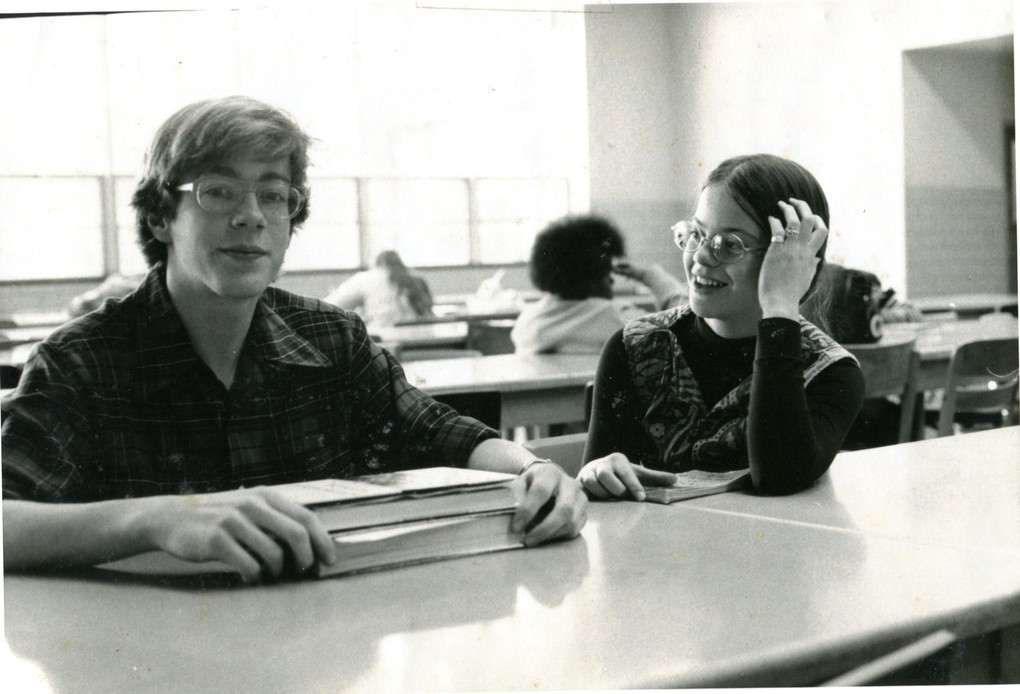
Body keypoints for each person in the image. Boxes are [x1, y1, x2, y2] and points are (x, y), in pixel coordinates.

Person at [1, 96, 586, 583]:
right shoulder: (81, 361)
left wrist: (532, 469)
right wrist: (157, 519)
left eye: (274, 195)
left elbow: (441, 433)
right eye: (218, 191)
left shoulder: (331, 338)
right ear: (160, 217)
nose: (251, 216)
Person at [578, 154, 865, 499]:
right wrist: (598, 471)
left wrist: (779, 306)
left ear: (790, 260)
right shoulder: (634, 346)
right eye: (696, 234)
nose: (699, 256)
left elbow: (779, 477)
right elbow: (597, 489)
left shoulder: (831, 372)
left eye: (730, 245)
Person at [511, 214, 687, 354]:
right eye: (606, 273)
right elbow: (686, 321)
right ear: (589, 279)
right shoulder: (618, 319)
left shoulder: (527, 322)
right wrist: (651, 276)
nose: (611, 280)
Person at [324, 249, 434, 327]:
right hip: (423, 339)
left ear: (376, 263)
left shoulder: (367, 278)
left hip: (384, 342)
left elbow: (330, 306)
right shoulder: (416, 278)